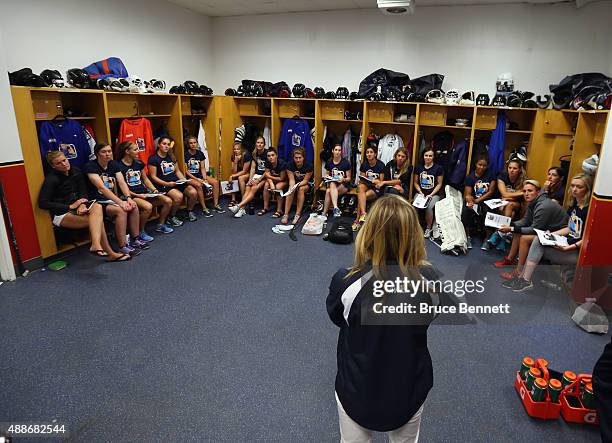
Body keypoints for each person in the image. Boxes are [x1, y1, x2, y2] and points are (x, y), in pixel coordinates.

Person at [326, 195, 434, 443]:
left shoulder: (345, 282)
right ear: (413, 235)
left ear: (369, 232)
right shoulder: (429, 282)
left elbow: (337, 317)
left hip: (357, 387)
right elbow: (427, 319)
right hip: (409, 387)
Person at [38, 151, 130, 262]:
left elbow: (83, 192)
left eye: (64, 160)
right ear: (53, 166)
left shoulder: (76, 171)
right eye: (59, 163)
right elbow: (43, 203)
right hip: (62, 214)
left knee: (97, 207)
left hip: (78, 208)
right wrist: (70, 206)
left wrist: (81, 204)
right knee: (97, 220)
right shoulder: (51, 179)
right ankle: (109, 252)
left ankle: (96, 244)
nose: (64, 164)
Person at [508, 174, 592, 292]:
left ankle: (524, 279)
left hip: (577, 252)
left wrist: (569, 247)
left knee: (535, 241)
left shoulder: (589, 210)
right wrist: (551, 235)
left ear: (587, 189)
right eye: (573, 186)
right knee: (538, 239)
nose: (574, 189)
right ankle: (523, 278)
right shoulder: (574, 206)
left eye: (579, 187)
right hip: (566, 243)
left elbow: (590, 237)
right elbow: (569, 228)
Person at [495, 180, 569, 284]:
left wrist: (511, 229)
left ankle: (518, 271)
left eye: (530, 191)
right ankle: (510, 259)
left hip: (560, 235)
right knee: (518, 231)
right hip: (547, 230)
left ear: (538, 192)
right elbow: (525, 221)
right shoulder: (534, 202)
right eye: (524, 191)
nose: (526, 193)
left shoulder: (543, 205)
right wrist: (511, 225)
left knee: (524, 238)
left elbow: (534, 229)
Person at [83, 142, 146, 256]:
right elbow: (102, 188)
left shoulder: (113, 164)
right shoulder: (90, 166)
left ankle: (135, 238)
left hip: (111, 200)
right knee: (120, 210)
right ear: (97, 154)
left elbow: (122, 182)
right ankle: (122, 246)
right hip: (97, 202)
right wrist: (120, 202)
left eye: (109, 151)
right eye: (104, 152)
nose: (107, 154)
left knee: (133, 206)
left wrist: (128, 198)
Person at [114, 141, 175, 236]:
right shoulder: (118, 166)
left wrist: (154, 190)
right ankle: (140, 231)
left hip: (144, 193)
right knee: (148, 207)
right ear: (127, 151)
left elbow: (145, 180)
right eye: (135, 149)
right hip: (130, 195)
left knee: (168, 201)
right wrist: (138, 195)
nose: (138, 151)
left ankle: (161, 224)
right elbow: (122, 187)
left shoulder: (138, 163)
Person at [147, 136, 198, 224]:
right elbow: (153, 177)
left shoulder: (171, 156)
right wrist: (167, 184)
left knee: (193, 192)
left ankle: (189, 211)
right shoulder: (153, 159)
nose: (166, 146)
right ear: (159, 145)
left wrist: (184, 180)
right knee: (178, 196)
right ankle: (171, 216)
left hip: (176, 182)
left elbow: (177, 171)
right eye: (164, 144)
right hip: (164, 184)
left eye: (168, 144)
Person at [461, 156, 497, 250]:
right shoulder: (470, 177)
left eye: (484, 165)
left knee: (489, 211)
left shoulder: (491, 175)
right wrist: (470, 201)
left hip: (487, 200)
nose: (482, 167)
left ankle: (487, 238)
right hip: (474, 199)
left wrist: (478, 200)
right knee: (467, 209)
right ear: (476, 164)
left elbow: (491, 191)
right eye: (480, 164)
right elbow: (468, 194)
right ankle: (468, 237)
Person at [184, 135, 225, 217]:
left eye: (194, 142)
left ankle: (216, 205)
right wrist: (198, 179)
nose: (193, 144)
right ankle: (204, 207)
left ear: (197, 143)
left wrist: (205, 178)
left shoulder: (200, 153)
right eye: (191, 143)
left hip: (200, 175)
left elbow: (202, 168)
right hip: (190, 177)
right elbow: (186, 171)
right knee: (199, 185)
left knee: (215, 182)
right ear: (188, 144)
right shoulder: (185, 154)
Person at [228, 136, 269, 217]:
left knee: (254, 188)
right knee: (248, 186)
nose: (259, 144)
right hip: (256, 175)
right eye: (258, 142)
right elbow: (253, 168)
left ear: (264, 144)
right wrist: (250, 179)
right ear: (255, 144)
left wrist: (259, 180)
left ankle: (239, 206)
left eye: (261, 143)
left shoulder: (267, 154)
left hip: (265, 176)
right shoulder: (254, 153)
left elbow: (268, 171)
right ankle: (242, 209)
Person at [353, 146, 385, 231]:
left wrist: (376, 181)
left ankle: (357, 220)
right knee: (360, 187)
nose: (369, 154)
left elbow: (381, 182)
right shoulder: (364, 164)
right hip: (367, 185)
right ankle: (363, 213)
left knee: (362, 196)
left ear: (375, 154)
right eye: (367, 152)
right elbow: (362, 179)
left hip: (377, 188)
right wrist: (366, 181)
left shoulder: (381, 165)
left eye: (371, 152)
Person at [413, 148, 444, 237]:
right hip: (421, 193)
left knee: (429, 207)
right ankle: (415, 226)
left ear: (433, 157)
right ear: (423, 156)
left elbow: (439, 184)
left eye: (430, 156)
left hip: (434, 194)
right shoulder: (419, 167)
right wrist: (420, 192)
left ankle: (428, 228)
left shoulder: (438, 168)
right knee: (414, 205)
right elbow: (415, 182)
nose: (428, 157)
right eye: (426, 155)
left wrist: (431, 194)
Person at [281, 147, 313, 225]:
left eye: (300, 158)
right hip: (294, 182)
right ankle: (286, 214)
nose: (298, 160)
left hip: (305, 184)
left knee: (301, 189)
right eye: (296, 158)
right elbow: (291, 180)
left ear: (303, 157)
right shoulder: (289, 165)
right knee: (290, 189)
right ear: (293, 158)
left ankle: (297, 214)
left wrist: (297, 185)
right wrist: (292, 187)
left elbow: (306, 180)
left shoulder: (309, 165)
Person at [322, 144, 352, 218]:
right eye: (336, 150)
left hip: (344, 185)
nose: (337, 152)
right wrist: (327, 178)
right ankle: (335, 208)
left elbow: (349, 178)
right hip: (333, 184)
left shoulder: (346, 163)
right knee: (330, 187)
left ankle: (324, 213)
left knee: (329, 192)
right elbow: (327, 175)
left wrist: (343, 179)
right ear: (332, 151)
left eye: (339, 150)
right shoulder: (329, 162)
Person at [261, 148, 288, 218]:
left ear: (276, 155)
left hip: (284, 181)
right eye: (269, 156)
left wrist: (270, 178)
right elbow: (267, 174)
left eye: (273, 155)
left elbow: (281, 178)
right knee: (266, 185)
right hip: (274, 179)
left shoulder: (282, 163)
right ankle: (265, 207)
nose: (271, 157)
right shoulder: (267, 162)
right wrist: (271, 184)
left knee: (278, 187)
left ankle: (279, 210)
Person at [227, 142, 252, 208]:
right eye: (234, 149)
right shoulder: (233, 156)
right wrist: (235, 162)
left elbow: (244, 171)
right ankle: (233, 199)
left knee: (240, 178)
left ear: (241, 149)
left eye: (238, 149)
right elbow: (234, 171)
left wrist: (233, 175)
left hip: (248, 173)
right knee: (233, 177)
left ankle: (244, 199)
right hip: (239, 173)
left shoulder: (246, 155)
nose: (236, 151)